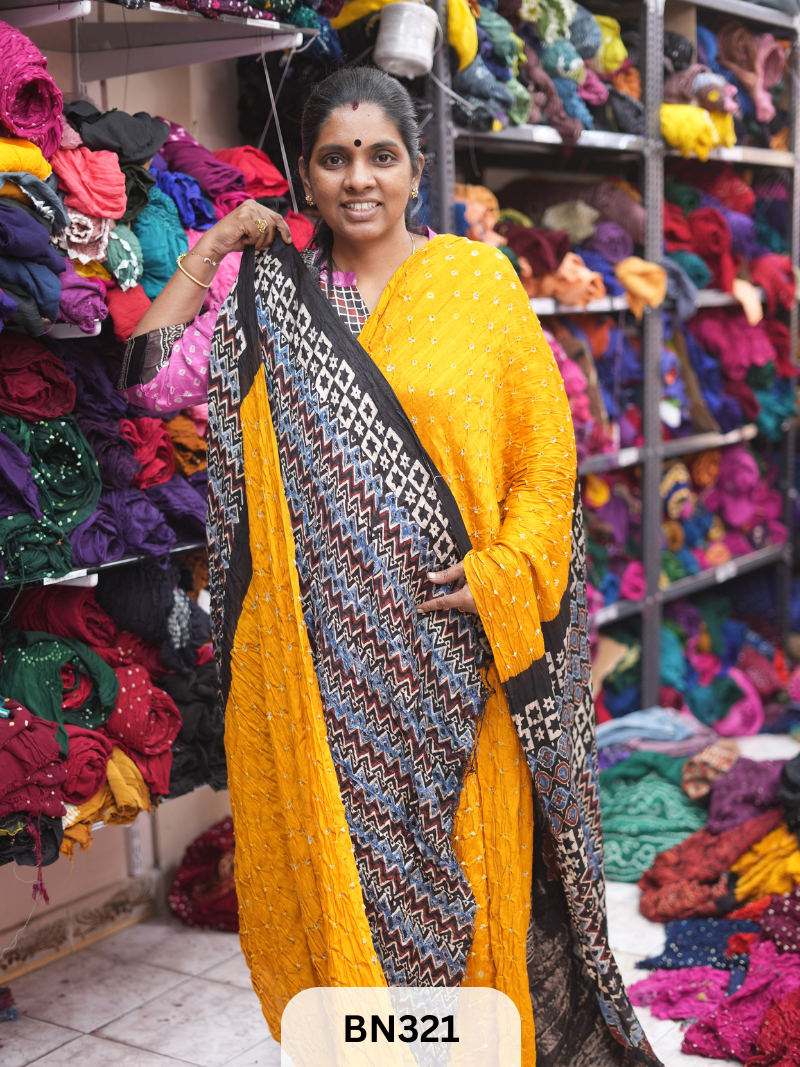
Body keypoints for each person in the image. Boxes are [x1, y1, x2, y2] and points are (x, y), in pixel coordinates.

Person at [122, 68, 657, 1067]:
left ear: (416, 166)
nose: (356, 179)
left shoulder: (475, 283)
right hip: (321, 666)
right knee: (349, 890)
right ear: (307, 174)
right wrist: (212, 248)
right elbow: (148, 382)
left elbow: (544, 456)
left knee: (474, 872)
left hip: (462, 646)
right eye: (333, 158)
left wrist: (508, 565)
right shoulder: (272, 293)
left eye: (379, 155)